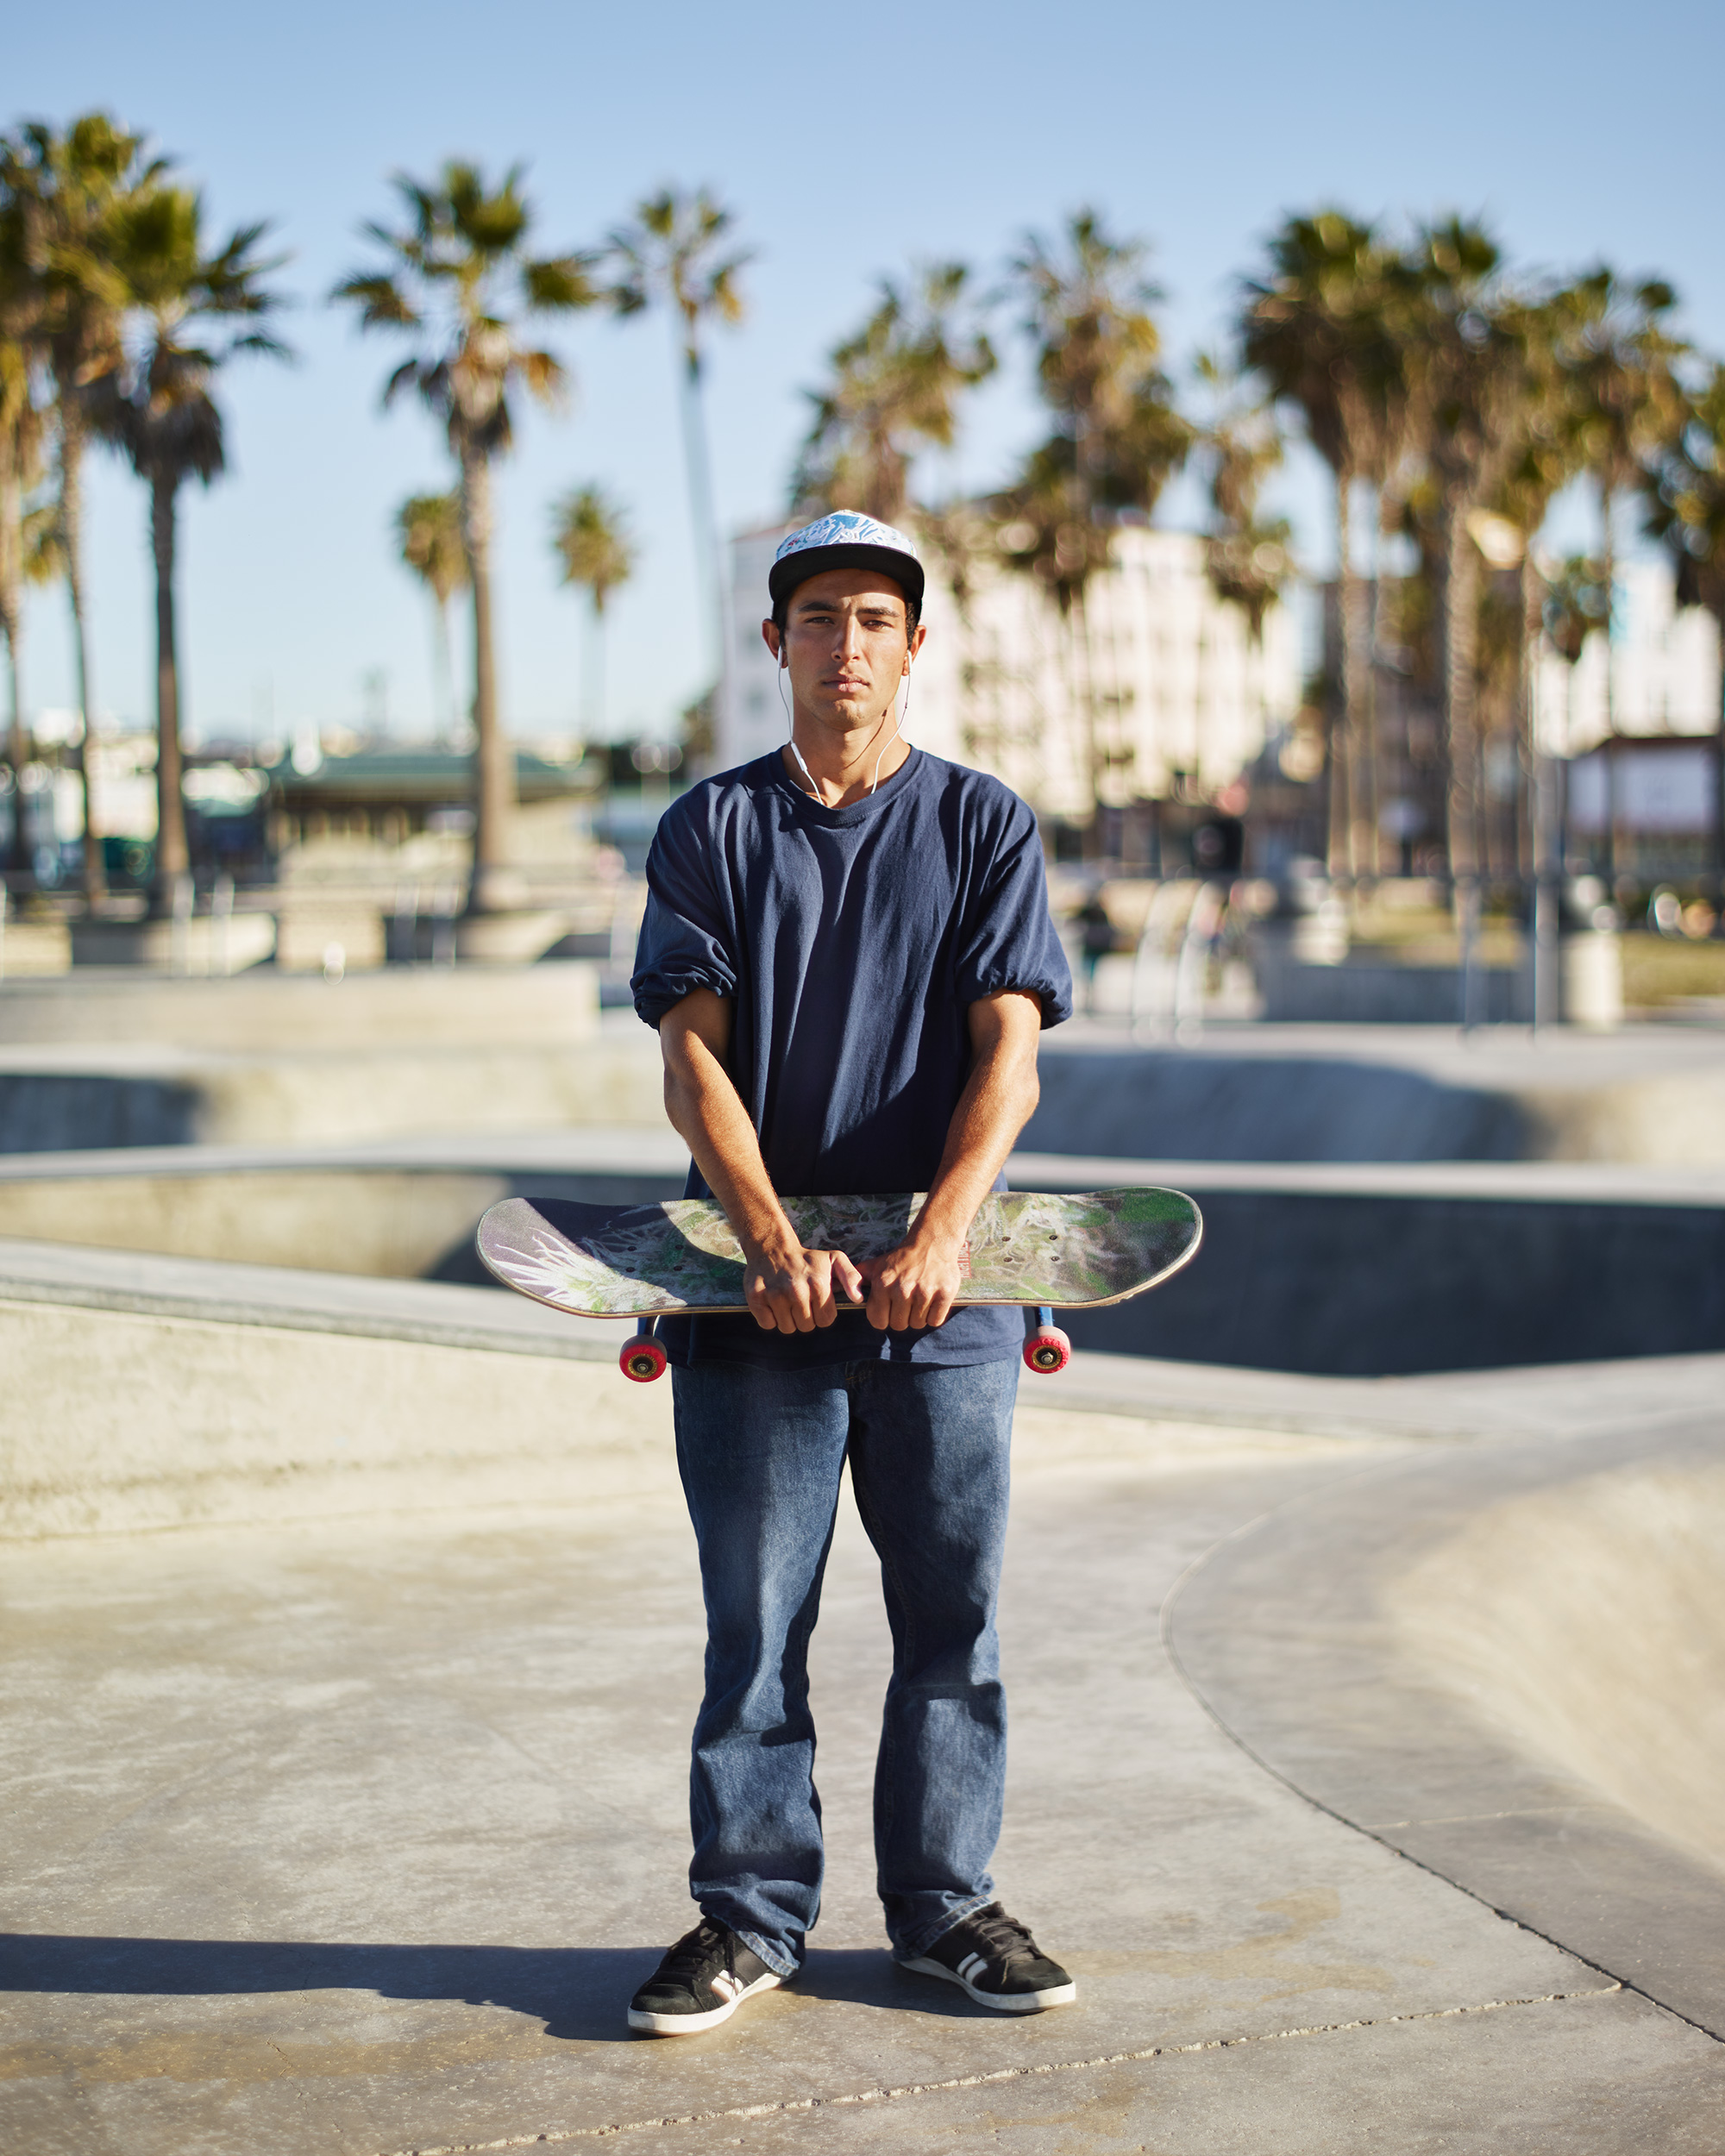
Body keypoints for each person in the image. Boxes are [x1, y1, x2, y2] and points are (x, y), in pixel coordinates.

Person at [626, 510, 1075, 2037]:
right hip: (760, 1302)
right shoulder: (714, 829)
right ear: (777, 645)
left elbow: (1007, 1053)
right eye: (820, 618)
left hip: (949, 1302)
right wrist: (764, 1243)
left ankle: (945, 1909)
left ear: (915, 646)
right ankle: (750, 1918)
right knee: (757, 1624)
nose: (848, 646)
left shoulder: (982, 826)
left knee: (954, 1618)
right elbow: (694, 1060)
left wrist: (946, 1236)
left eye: (877, 619)